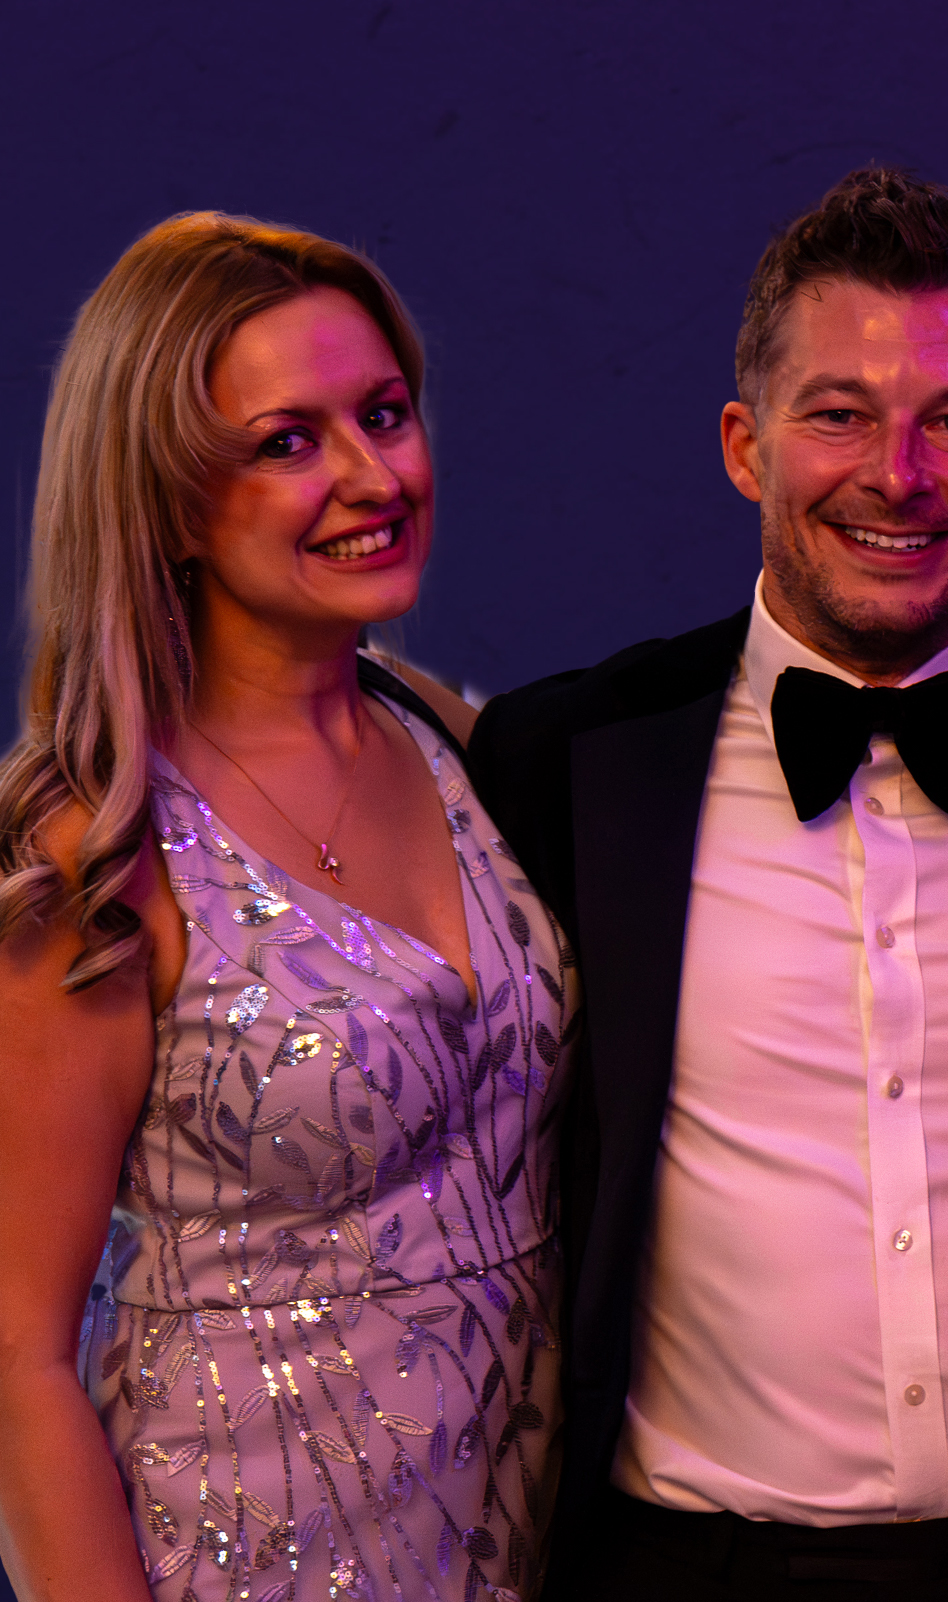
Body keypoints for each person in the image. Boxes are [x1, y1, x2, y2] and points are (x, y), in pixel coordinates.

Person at [464, 167, 948, 1600]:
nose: (899, 474)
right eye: (839, 414)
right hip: (683, 1574)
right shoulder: (563, 763)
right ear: (744, 445)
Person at [0, 214, 572, 1602]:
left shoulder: (457, 740)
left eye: (384, 414)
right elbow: (14, 1353)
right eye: (288, 442)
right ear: (167, 502)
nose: (376, 476)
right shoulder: (101, 849)